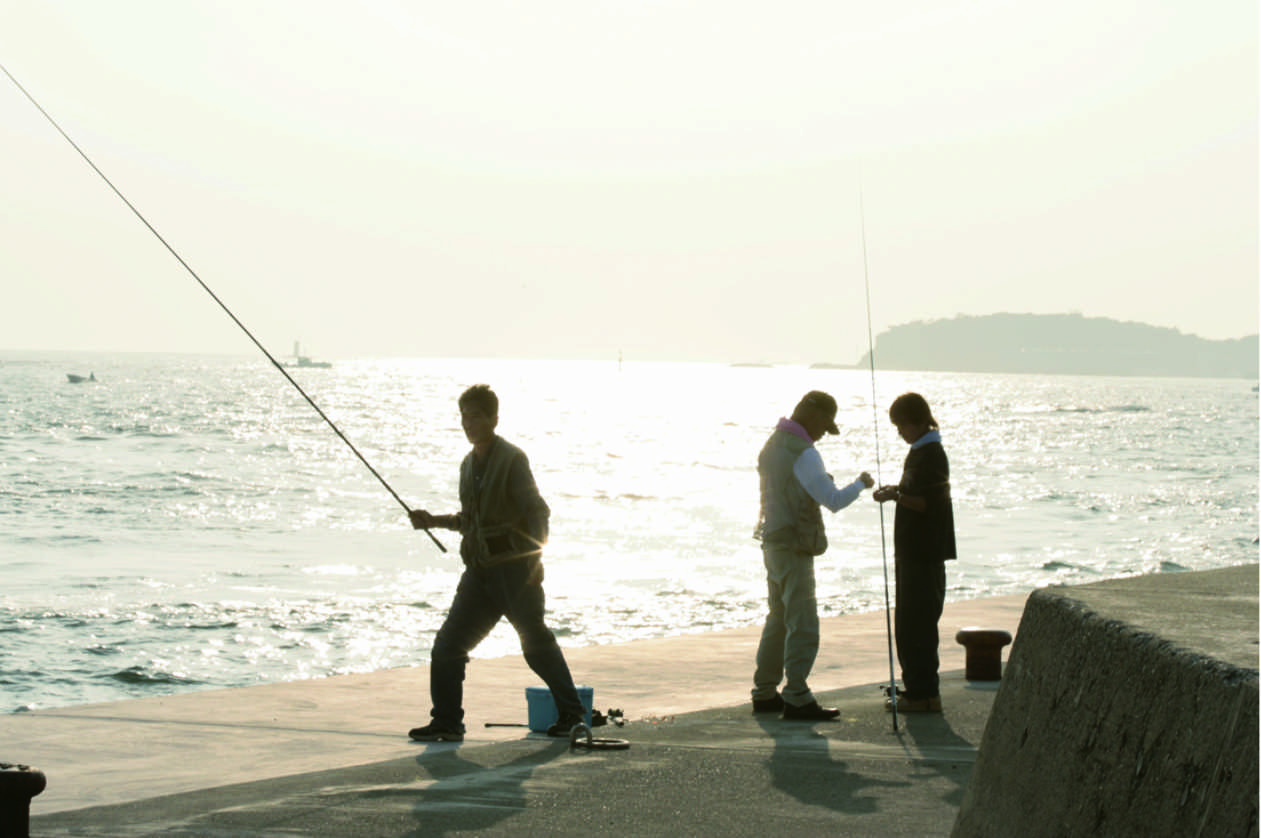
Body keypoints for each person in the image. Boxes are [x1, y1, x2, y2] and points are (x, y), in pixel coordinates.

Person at [406, 384, 587, 741]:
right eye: (464, 416)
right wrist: (433, 521)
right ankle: (447, 721)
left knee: (535, 645)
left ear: (493, 419)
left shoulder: (512, 460)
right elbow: (469, 521)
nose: (468, 423)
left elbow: (538, 512)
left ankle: (572, 714)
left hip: (515, 574)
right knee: (447, 647)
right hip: (480, 574)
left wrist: (535, 563)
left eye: (475, 416)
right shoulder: (467, 465)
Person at [752, 390, 874, 720]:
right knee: (802, 623)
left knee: (777, 618)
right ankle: (797, 695)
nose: (824, 433)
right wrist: (861, 484)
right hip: (794, 546)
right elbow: (832, 500)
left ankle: (764, 692)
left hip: (771, 542)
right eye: (825, 425)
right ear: (814, 415)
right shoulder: (803, 453)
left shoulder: (772, 445)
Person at [873, 392, 956, 713]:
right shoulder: (921, 452)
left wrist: (896, 495)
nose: (900, 432)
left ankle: (924, 694)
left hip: (923, 553)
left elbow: (926, 502)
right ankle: (919, 690)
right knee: (909, 624)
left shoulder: (931, 454)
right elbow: (916, 493)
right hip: (913, 552)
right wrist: (896, 491)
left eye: (902, 425)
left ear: (919, 421)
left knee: (916, 625)